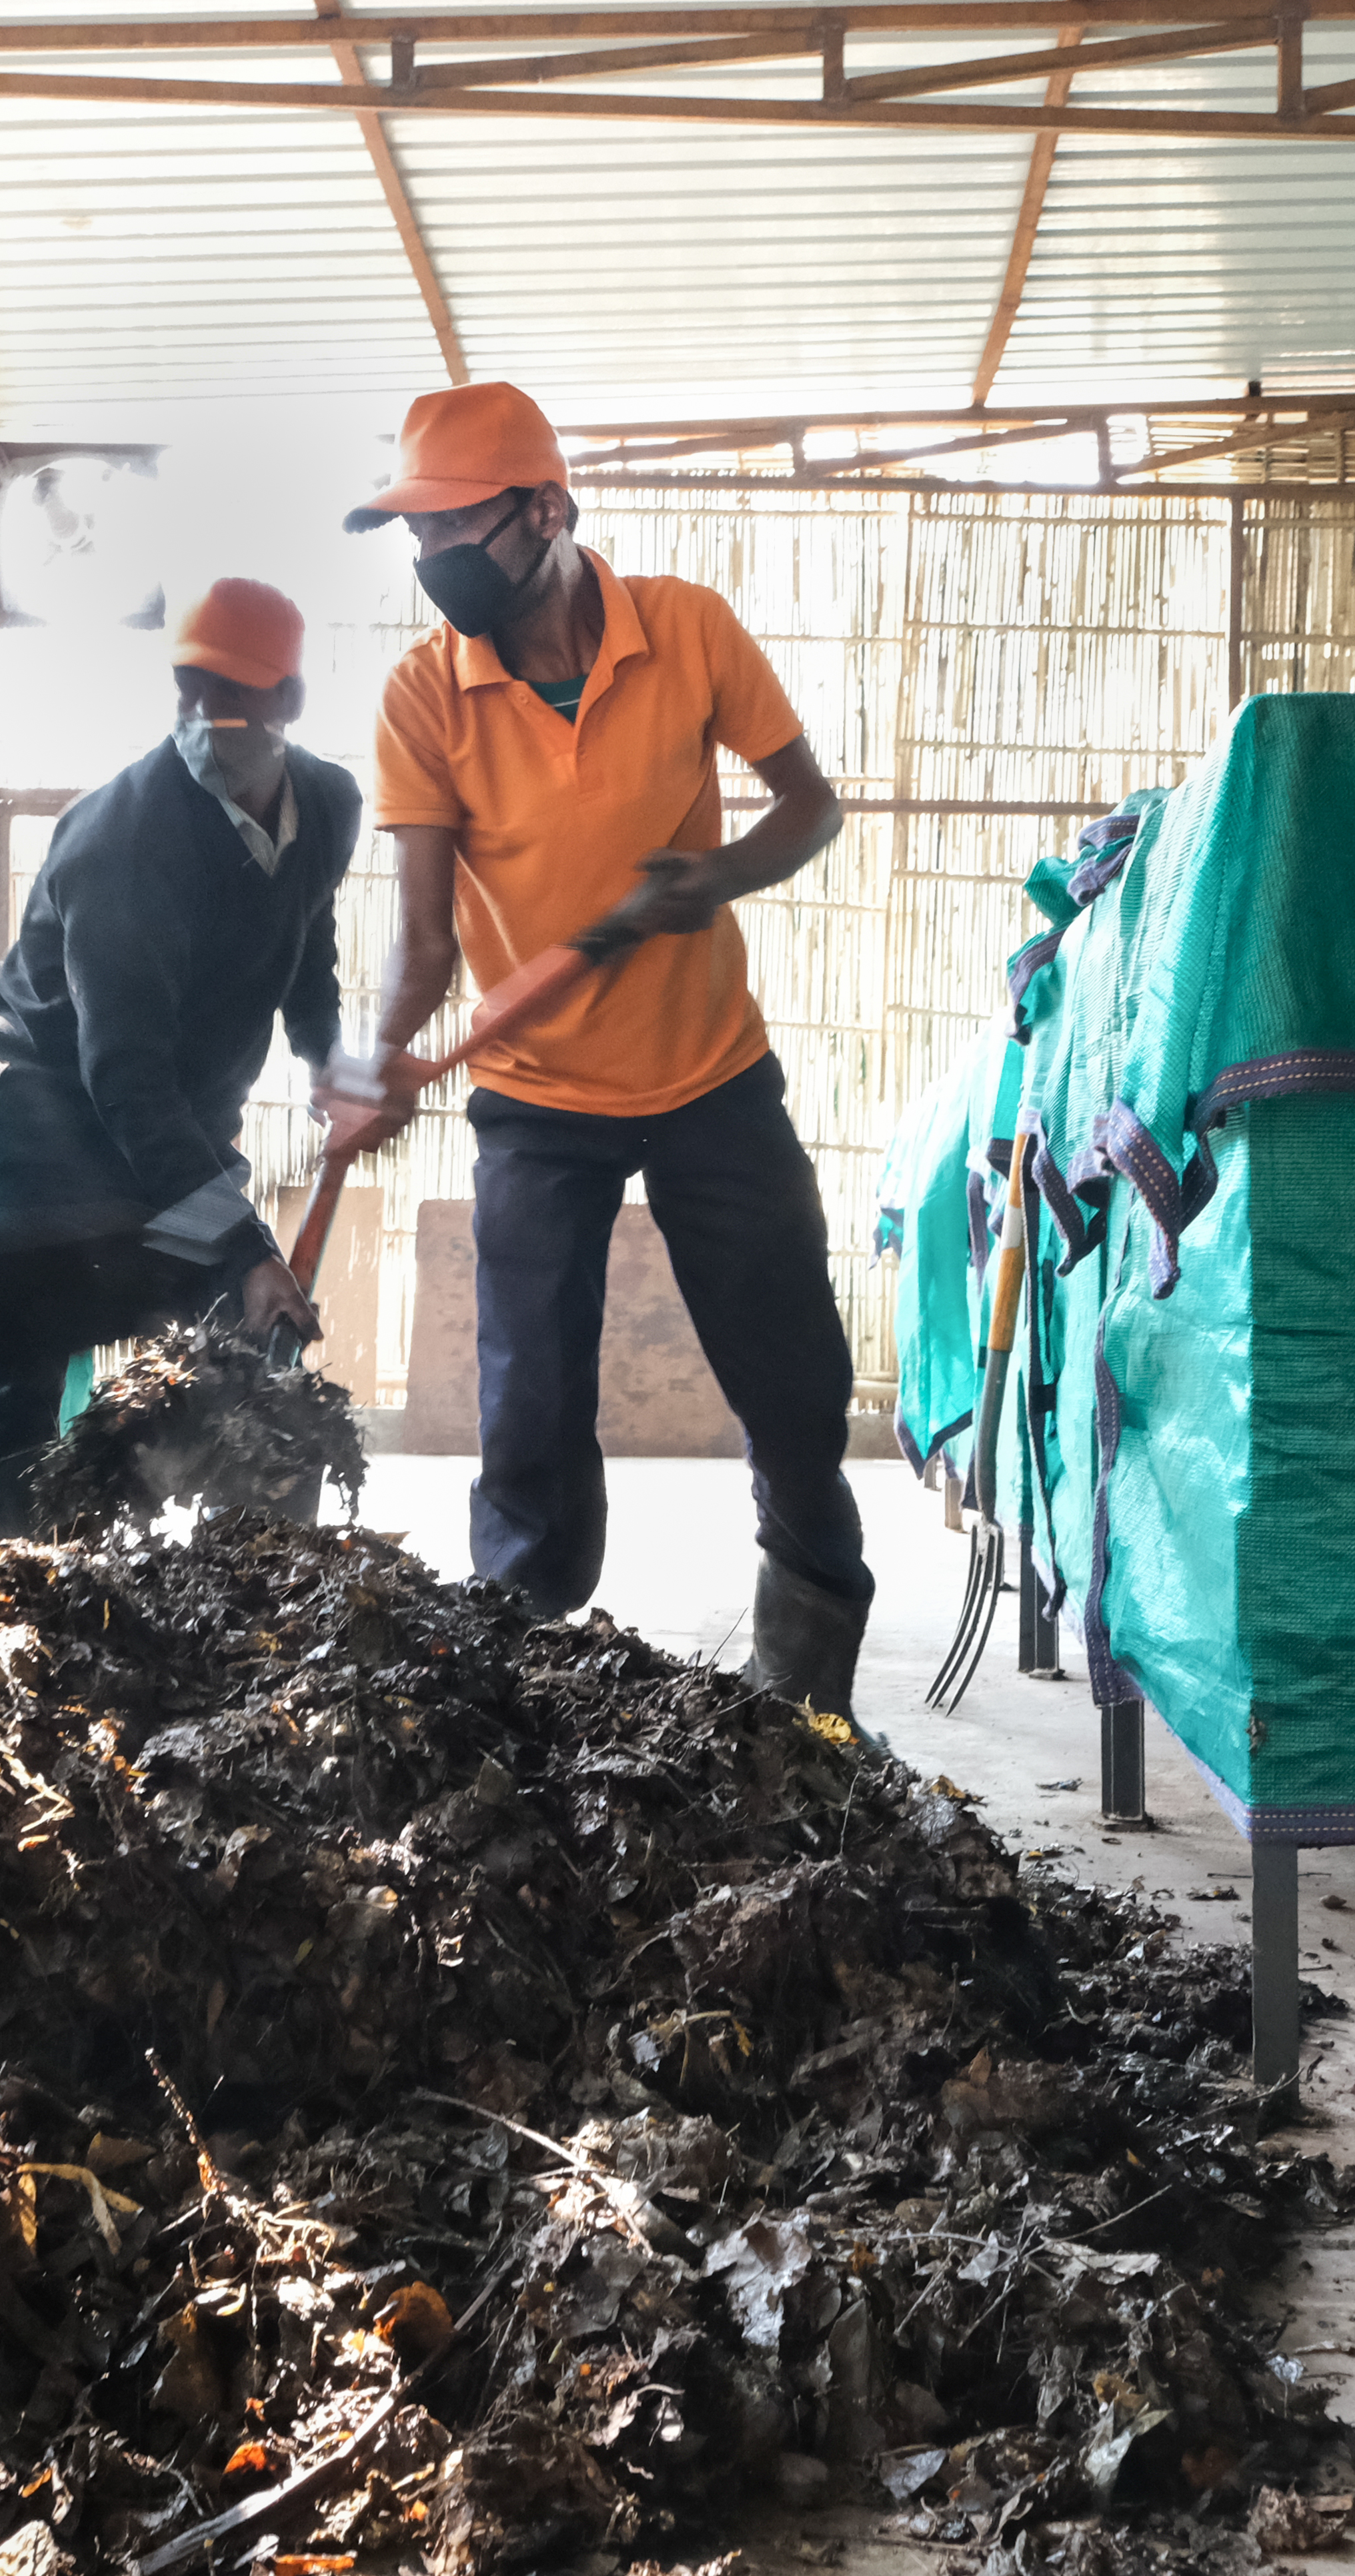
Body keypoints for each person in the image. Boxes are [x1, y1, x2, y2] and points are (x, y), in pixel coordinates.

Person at [339, 380, 870, 1716]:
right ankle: (515, 1691)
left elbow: (808, 807)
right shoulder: (424, 696)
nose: (432, 562)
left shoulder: (682, 628)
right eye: (416, 538)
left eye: (456, 530)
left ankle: (802, 1690)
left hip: (710, 1080)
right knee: (523, 1421)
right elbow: (420, 940)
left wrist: (712, 878)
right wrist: (379, 1059)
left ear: (548, 512)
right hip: (534, 1101)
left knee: (796, 1391)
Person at [0, 576, 354, 1535]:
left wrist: (328, 1057)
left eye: (237, 695)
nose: (210, 716)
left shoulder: (326, 805)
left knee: (263, 1373)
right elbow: (124, 1077)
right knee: (18, 1423)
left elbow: (308, 947)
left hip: (179, 1148)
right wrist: (246, 1243)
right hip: (46, 1154)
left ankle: (255, 1615)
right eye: (192, 690)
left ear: (289, 704)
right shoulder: (123, 838)